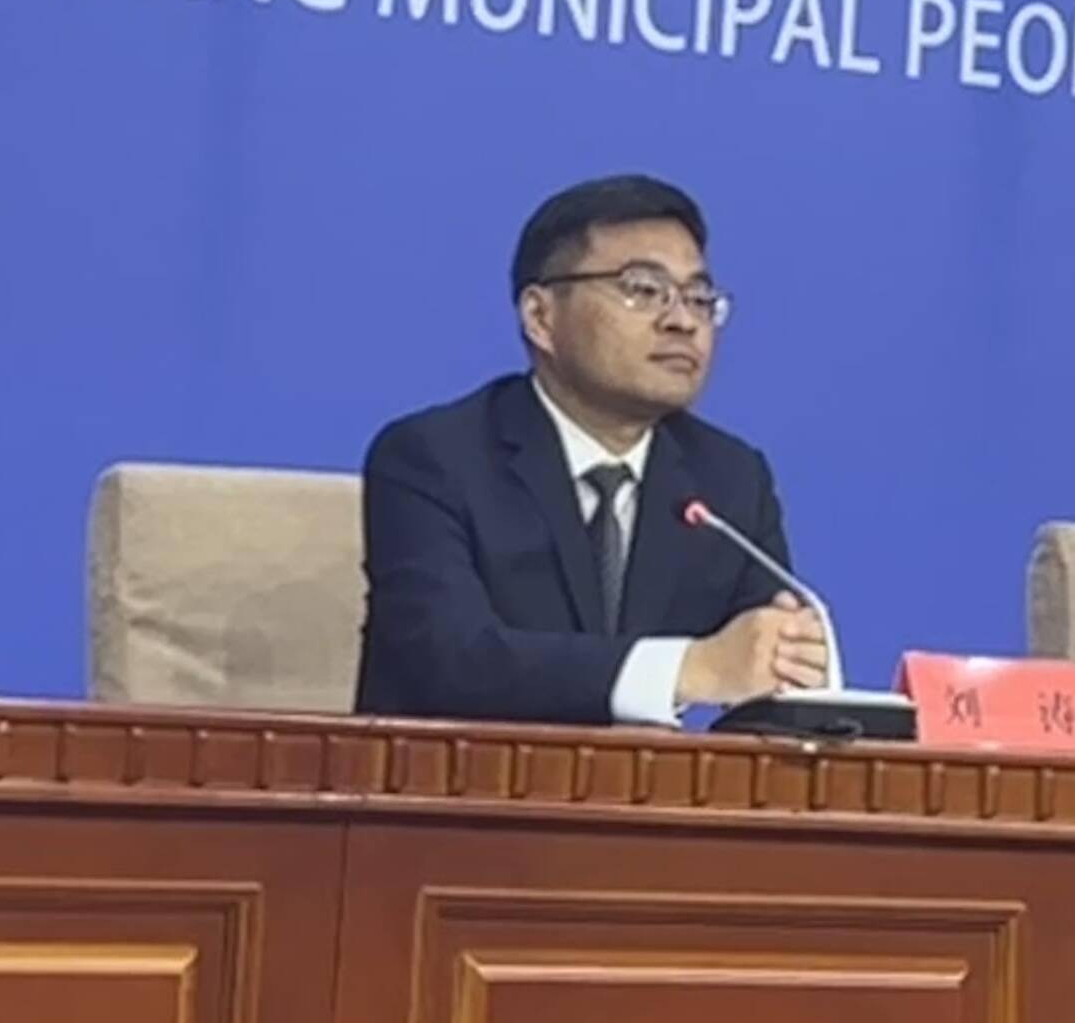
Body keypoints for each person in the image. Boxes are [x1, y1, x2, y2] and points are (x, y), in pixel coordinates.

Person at [355, 173, 832, 725]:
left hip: (652, 783)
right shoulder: (433, 459)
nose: (682, 321)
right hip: (453, 777)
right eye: (643, 290)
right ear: (541, 317)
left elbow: (768, 684)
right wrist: (690, 668)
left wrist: (787, 663)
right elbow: (450, 661)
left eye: (700, 298)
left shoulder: (730, 480)